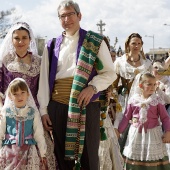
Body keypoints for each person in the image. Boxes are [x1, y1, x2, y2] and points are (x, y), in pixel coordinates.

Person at [37, 0, 116, 169]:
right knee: (62, 159)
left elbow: (110, 73)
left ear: (79, 16)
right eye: (62, 16)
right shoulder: (51, 46)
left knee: (89, 158)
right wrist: (44, 110)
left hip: (87, 105)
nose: (66, 19)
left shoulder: (95, 41)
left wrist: (92, 87)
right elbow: (44, 80)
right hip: (58, 107)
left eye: (70, 14)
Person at [0, 22, 57, 169]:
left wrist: (44, 113)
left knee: (41, 150)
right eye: (17, 38)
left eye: (24, 38)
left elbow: (44, 89)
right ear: (11, 40)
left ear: (30, 39)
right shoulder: (5, 61)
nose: (20, 42)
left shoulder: (39, 62)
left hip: (33, 115)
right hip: (10, 117)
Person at [118, 72, 170, 170]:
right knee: (134, 155)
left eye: (154, 84)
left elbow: (165, 118)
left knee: (151, 155)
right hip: (136, 134)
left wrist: (168, 131)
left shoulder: (157, 100)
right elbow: (126, 117)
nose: (153, 87)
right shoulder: (134, 100)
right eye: (149, 84)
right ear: (141, 85)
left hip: (152, 134)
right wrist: (119, 131)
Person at [113, 33, 152, 146]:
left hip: (143, 100)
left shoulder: (147, 64)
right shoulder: (120, 62)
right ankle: (121, 155)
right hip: (125, 99)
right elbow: (114, 84)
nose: (136, 46)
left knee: (141, 126)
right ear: (128, 45)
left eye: (139, 43)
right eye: (134, 43)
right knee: (121, 126)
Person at [0, 78, 47, 169]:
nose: (19, 97)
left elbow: (39, 134)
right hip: (9, 152)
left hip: (28, 152)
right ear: (10, 96)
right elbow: (0, 133)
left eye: (22, 93)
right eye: (15, 94)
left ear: (28, 94)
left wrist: (42, 153)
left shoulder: (33, 113)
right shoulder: (6, 112)